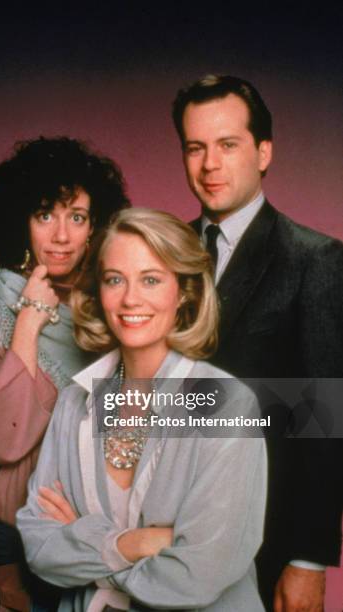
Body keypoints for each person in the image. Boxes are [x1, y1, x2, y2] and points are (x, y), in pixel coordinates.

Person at [17, 207, 267, 611]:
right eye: (115, 280)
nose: (130, 299)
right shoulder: (73, 402)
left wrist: (85, 548)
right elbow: (40, 545)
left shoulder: (228, 403)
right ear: (99, 290)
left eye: (150, 279)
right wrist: (136, 544)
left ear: (183, 291)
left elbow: (198, 575)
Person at [172, 74, 343, 611]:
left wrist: (308, 560)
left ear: (264, 152)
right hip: (164, 531)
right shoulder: (160, 257)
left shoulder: (314, 261)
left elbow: (324, 419)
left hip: (264, 542)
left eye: (228, 145)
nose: (209, 165)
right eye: (195, 148)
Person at [0, 136, 130, 612]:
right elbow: (4, 441)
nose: (62, 236)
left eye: (77, 216)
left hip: (99, 520)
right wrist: (28, 319)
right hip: (14, 530)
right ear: (21, 222)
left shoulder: (122, 299)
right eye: (45, 215)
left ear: (96, 225)